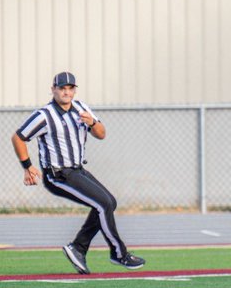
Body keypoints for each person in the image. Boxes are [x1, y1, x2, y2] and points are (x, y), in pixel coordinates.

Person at [12, 71, 145, 274]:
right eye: (62, 88)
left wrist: (92, 122)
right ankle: (119, 254)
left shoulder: (81, 108)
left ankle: (78, 247)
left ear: (74, 90)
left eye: (70, 88)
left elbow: (101, 134)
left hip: (77, 170)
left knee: (109, 203)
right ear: (53, 90)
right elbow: (19, 137)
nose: (66, 92)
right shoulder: (45, 115)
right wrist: (27, 166)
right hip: (57, 174)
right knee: (103, 204)